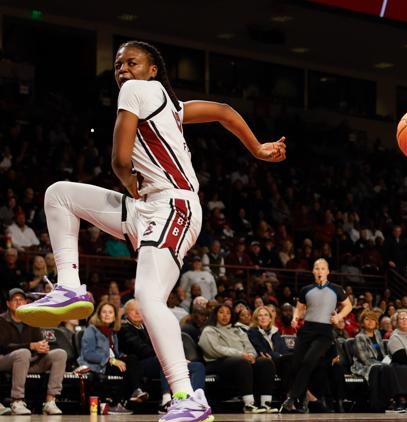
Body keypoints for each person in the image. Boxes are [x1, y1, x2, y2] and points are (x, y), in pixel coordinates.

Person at [17, 40, 286, 422]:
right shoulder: (172, 108)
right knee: (60, 195)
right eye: (117, 65)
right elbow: (224, 111)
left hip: (172, 205)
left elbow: (119, 158)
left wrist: (127, 180)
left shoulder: (136, 90)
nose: (122, 69)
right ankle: (70, 286)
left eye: (132, 62)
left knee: (146, 297)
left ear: (153, 70)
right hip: (149, 207)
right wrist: (257, 148)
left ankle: (188, 396)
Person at [280, 258, 353, 413]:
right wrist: (295, 318)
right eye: (317, 268)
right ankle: (305, 399)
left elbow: (348, 305)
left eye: (322, 268)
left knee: (308, 362)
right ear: (313, 271)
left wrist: (339, 317)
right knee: (295, 365)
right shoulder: (306, 289)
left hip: (324, 331)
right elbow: (299, 309)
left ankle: (292, 398)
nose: (319, 271)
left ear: (327, 271)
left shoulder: (336, 289)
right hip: (307, 329)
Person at [119, 299, 206, 413]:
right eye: (132, 310)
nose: (137, 313)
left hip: (160, 361)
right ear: (126, 313)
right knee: (163, 360)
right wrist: (169, 357)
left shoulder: (149, 327)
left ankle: (195, 401)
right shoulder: (124, 328)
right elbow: (141, 349)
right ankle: (165, 401)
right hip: (140, 365)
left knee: (197, 366)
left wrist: (177, 359)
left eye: (139, 310)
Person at [198, 304, 277, 413]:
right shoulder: (209, 330)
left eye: (228, 313)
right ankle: (249, 404)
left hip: (241, 360)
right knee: (241, 362)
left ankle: (265, 404)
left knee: (265, 362)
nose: (225, 315)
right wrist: (240, 354)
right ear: (215, 315)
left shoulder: (237, 330)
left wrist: (251, 355)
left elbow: (249, 346)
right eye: (221, 312)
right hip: (217, 362)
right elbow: (215, 349)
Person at [0, 289, 66, 415]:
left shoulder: (31, 320)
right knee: (23, 352)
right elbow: (3, 346)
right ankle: (17, 401)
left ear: (26, 302)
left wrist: (43, 347)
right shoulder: (2, 320)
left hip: (27, 361)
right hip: (5, 359)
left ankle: (50, 401)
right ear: (8, 303)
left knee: (60, 353)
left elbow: (37, 343)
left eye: (22, 299)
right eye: (15, 299)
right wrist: (30, 346)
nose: (19, 302)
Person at [78, 302, 146, 415]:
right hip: (97, 365)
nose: (107, 315)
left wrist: (121, 357)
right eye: (104, 312)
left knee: (132, 359)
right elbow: (88, 353)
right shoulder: (91, 330)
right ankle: (114, 403)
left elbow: (115, 352)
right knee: (127, 369)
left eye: (110, 312)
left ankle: (134, 392)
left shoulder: (113, 333)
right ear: (99, 315)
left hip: (110, 363)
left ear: (115, 316)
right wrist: (111, 360)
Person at [351, 309, 407, 412]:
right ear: (362, 322)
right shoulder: (360, 337)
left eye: (373, 319)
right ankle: (397, 401)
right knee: (386, 369)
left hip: (382, 364)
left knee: (401, 367)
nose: (370, 322)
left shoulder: (377, 334)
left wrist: (389, 361)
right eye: (367, 319)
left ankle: (405, 400)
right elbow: (365, 360)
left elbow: (384, 354)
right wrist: (384, 364)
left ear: (376, 322)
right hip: (366, 366)